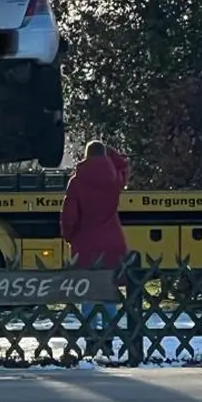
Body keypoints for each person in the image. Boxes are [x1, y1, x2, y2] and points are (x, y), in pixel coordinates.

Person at [60, 140, 129, 329]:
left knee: (87, 288)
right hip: (113, 239)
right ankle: (110, 330)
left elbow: (69, 215)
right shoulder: (115, 179)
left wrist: (69, 235)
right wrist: (109, 151)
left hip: (86, 240)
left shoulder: (76, 181)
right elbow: (123, 164)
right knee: (109, 287)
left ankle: (90, 331)